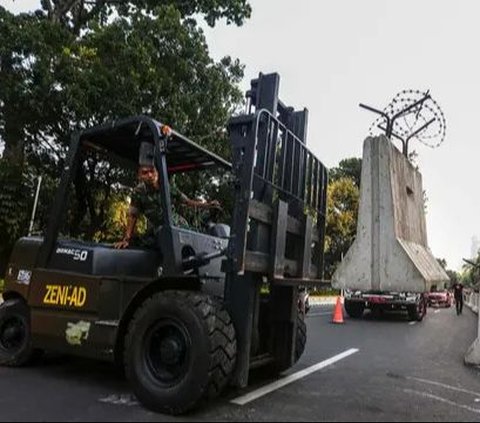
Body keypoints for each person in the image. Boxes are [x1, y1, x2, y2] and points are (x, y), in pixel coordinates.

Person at [115, 150, 220, 249]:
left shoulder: (166, 188)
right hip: (158, 230)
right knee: (139, 243)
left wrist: (207, 205)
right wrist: (126, 239)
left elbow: (187, 201)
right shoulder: (138, 192)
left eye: (152, 171)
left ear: (157, 172)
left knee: (199, 240)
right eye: (145, 173)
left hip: (177, 226)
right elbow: (133, 216)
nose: (150, 175)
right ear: (139, 176)